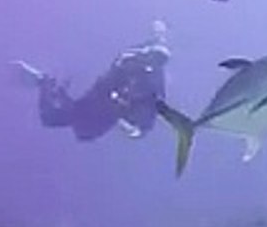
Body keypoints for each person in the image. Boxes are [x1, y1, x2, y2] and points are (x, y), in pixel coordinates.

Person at [12, 20, 171, 141]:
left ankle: (47, 83)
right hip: (97, 103)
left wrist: (134, 129)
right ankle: (47, 82)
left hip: (103, 110)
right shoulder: (131, 59)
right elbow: (116, 69)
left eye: (153, 60)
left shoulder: (153, 80)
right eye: (149, 57)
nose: (148, 61)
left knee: (67, 123)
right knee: (54, 119)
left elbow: (151, 115)